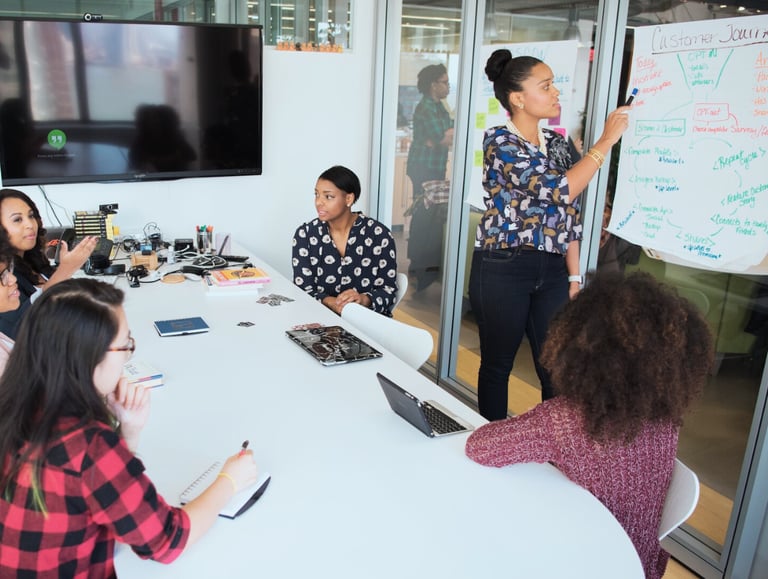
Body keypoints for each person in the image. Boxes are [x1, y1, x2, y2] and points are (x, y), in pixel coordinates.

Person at [0, 278, 260, 576]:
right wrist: (229, 480)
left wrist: (128, 432)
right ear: (90, 356)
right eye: (125, 346)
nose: (127, 357)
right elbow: (169, 541)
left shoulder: (16, 407)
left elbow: (96, 499)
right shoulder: (87, 445)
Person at [465, 271, 714, 579]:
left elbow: (479, 447)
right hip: (642, 564)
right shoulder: (664, 419)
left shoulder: (564, 419)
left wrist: (537, 423)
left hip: (581, 562)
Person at [468, 50, 631, 419]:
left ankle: (553, 450)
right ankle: (491, 443)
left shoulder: (557, 143)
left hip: (554, 268)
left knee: (555, 369)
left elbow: (567, 214)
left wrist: (574, 276)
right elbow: (560, 190)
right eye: (546, 86)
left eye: (554, 84)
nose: (555, 92)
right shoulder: (500, 143)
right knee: (498, 364)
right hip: (503, 265)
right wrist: (605, 141)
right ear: (518, 98)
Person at [292, 165, 398, 317]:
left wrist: (363, 299)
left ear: (349, 198)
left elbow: (388, 291)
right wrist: (331, 302)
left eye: (328, 196)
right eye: (317, 194)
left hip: (368, 324)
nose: (319, 202)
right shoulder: (305, 235)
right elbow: (302, 290)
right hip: (320, 321)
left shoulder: (379, 235)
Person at [0, 188, 97, 339]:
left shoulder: (34, 260)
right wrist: (65, 270)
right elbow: (20, 328)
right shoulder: (5, 277)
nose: (30, 225)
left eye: (31, 216)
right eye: (17, 219)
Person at [406, 63, 454, 292]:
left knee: (427, 213)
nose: (448, 86)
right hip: (423, 167)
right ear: (433, 84)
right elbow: (444, 137)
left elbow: (448, 134)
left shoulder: (439, 107)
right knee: (423, 212)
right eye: (444, 82)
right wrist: (443, 137)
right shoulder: (426, 107)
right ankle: (419, 264)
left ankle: (421, 265)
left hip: (434, 165)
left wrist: (444, 136)